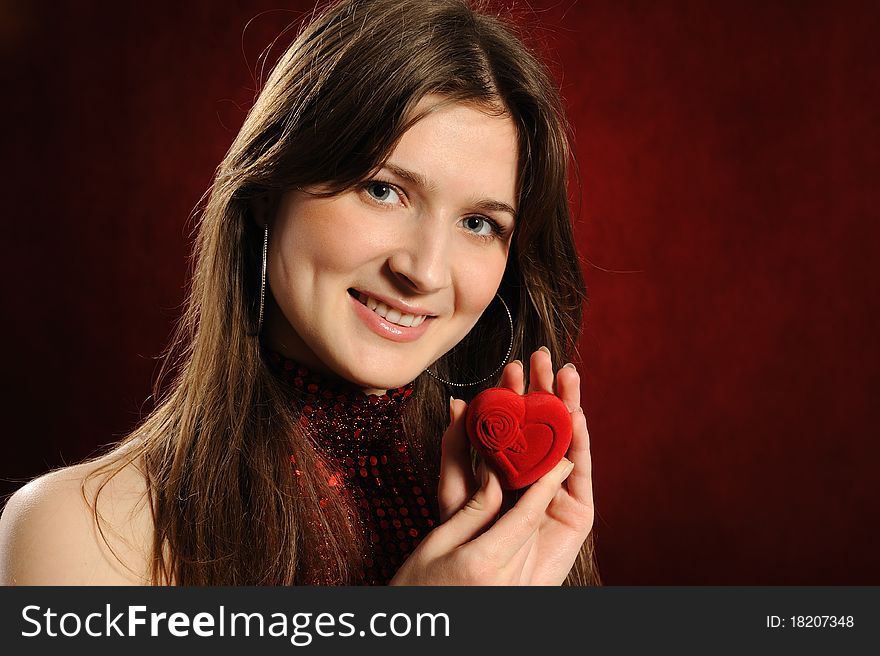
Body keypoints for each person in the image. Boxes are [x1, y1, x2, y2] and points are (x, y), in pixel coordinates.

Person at [0, 0, 598, 586]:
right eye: (383, 190)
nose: (426, 271)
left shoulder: (524, 527)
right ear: (269, 190)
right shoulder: (80, 529)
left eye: (478, 224)